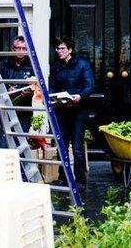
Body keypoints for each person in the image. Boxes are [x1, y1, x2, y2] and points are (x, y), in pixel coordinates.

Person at [48, 37, 94, 184]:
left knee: (77, 147)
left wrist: (80, 96)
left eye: (62, 49)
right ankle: (64, 177)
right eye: (58, 49)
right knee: (61, 145)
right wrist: (51, 96)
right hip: (62, 110)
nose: (59, 51)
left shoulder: (82, 65)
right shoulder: (56, 66)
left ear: (70, 50)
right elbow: (53, 85)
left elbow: (90, 85)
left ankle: (80, 180)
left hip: (78, 111)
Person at [0, 35, 35, 149]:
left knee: (21, 145)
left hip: (24, 110)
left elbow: (36, 85)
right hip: (6, 108)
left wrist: (28, 93)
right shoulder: (3, 63)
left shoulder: (32, 65)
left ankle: (19, 166)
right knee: (3, 143)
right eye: (18, 48)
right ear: (12, 49)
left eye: (24, 48)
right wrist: (6, 91)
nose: (21, 51)